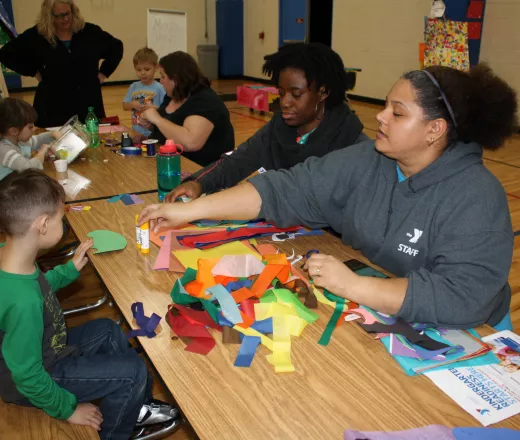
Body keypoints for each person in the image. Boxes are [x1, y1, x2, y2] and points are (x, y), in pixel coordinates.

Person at [139, 64, 518, 330]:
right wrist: (191, 210)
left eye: (397, 113)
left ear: (435, 130)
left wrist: (353, 286)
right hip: (384, 309)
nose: (381, 117)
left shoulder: (476, 197)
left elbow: (463, 297)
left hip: (466, 331)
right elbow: (286, 188)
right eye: (385, 105)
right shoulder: (369, 159)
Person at [0, 170, 178, 440]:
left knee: (108, 328)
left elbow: (38, 285)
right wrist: (67, 410)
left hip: (49, 348)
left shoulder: (11, 254)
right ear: (43, 225)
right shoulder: (22, 302)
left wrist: (68, 270)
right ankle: (115, 432)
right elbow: (27, 377)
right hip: (39, 376)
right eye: (62, 217)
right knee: (133, 372)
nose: (65, 222)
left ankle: (137, 406)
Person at [165, 43, 367, 203]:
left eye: (296, 94)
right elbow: (239, 159)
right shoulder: (279, 127)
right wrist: (198, 183)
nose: (285, 102)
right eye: (281, 93)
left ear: (323, 92)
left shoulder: (352, 144)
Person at [0, 0, 123, 127]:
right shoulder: (37, 36)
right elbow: (6, 54)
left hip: (88, 104)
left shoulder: (90, 32)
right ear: (48, 16)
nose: (65, 19)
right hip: (52, 107)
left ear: (73, 11)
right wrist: (32, 71)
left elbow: (116, 48)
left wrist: (103, 73)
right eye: (58, 16)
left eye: (67, 13)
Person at [140, 51, 234, 167]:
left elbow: (191, 142)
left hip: (202, 172)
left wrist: (157, 120)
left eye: (163, 77)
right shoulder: (173, 96)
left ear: (176, 79)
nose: (161, 81)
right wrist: (150, 124)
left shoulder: (205, 101)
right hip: (170, 162)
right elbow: (170, 126)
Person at [0, 98, 58, 181]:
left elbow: (38, 140)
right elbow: (29, 169)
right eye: (30, 127)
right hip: (6, 189)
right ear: (14, 131)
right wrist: (42, 152)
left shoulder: (20, 141)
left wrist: (52, 134)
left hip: (17, 182)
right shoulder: (4, 150)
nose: (34, 129)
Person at [122, 47, 166, 142]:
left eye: (147, 69)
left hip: (153, 133)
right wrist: (133, 104)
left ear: (156, 67)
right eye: (138, 70)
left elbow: (165, 110)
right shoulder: (134, 86)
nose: (142, 73)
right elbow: (124, 106)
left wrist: (152, 107)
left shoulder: (160, 88)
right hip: (136, 131)